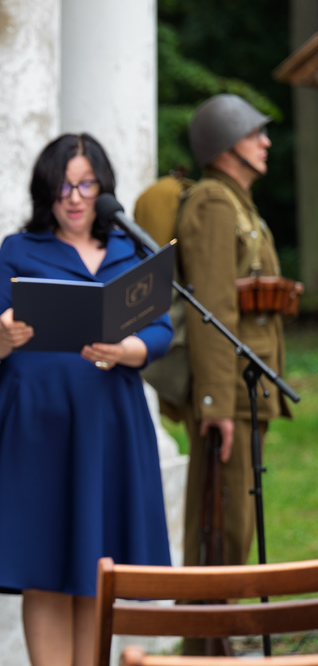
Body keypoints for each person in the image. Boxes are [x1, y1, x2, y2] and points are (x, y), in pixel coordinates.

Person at [0, 133, 172, 666]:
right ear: (45, 192)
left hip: (108, 423)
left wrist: (127, 348)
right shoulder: (19, 249)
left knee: (98, 563)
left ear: (102, 190)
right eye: (62, 186)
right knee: (45, 563)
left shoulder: (133, 250)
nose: (74, 197)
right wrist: (1, 339)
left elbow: (163, 332)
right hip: (36, 425)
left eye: (86, 184)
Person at [174, 95, 291, 638]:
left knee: (235, 533)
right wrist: (216, 404)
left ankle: (217, 648)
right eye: (254, 133)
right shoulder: (214, 206)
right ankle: (206, 653)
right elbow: (212, 310)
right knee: (219, 535)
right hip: (231, 399)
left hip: (248, 392)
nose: (266, 141)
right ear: (225, 145)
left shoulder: (238, 203)